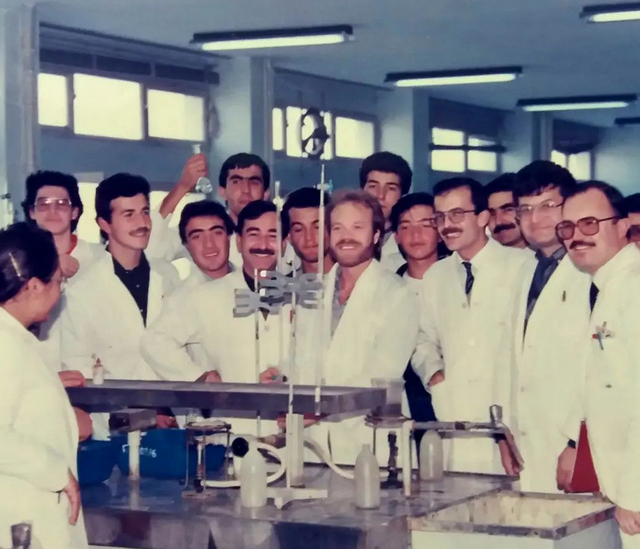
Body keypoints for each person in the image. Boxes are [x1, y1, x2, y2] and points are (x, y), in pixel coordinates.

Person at [141, 201, 289, 436]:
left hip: (290, 430)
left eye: (272, 235)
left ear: (284, 243)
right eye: (254, 234)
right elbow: (154, 341)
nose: (263, 244)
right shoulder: (201, 297)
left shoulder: (298, 294)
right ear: (239, 241)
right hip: (232, 429)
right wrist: (199, 377)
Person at [412, 177, 528, 474]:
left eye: (457, 214)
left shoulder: (523, 267)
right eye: (440, 217)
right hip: (455, 417)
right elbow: (422, 338)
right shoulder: (436, 275)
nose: (447, 225)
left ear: (483, 217)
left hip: (513, 422)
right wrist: (434, 375)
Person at [296, 190, 418, 465]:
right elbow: (300, 357)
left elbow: (382, 374)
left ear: (376, 236)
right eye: (338, 228)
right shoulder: (313, 290)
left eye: (357, 227)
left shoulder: (397, 294)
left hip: (369, 439)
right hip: (313, 442)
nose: (346, 236)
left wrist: (319, 407)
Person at [60, 173, 180, 439]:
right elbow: (79, 372)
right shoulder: (81, 290)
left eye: (145, 212)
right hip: (114, 431)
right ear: (105, 224)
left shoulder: (168, 276)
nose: (142, 223)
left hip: (175, 424)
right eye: (129, 215)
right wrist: (142, 416)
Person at [555, 181, 640, 548]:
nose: (577, 236)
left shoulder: (633, 290)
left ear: (622, 226)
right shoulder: (610, 286)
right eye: (567, 228)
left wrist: (634, 493)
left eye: (590, 223)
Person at [504, 160, 591, 492]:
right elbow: (513, 361)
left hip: (573, 442)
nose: (535, 218)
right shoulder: (524, 272)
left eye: (547, 206)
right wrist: (504, 432)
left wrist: (575, 441)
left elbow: (602, 370)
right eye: (525, 209)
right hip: (528, 441)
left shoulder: (590, 274)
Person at [0, 222, 87, 549]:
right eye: (58, 280)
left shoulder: (15, 338)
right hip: (18, 514)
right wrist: (56, 472)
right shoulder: (5, 343)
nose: (60, 290)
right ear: (35, 286)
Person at [22, 171, 104, 374]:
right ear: (32, 212)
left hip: (90, 371)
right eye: (43, 204)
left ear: (75, 212)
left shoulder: (99, 258)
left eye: (61, 204)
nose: (52, 211)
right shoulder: (19, 262)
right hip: (35, 371)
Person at [148, 153, 270, 269]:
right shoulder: (199, 231)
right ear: (222, 192)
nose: (246, 190)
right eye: (236, 181)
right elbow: (150, 251)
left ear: (266, 193)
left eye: (254, 182)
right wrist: (182, 187)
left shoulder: (278, 236)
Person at [390, 192, 439, 431]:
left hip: (451, 400)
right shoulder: (388, 288)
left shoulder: (463, 282)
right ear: (396, 236)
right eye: (406, 226)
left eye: (425, 225)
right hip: (403, 409)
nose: (416, 235)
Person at [360, 151, 412, 272]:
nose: (380, 195)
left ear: (402, 195)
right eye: (373, 186)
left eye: (391, 188)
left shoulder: (410, 247)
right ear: (361, 190)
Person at [176, 200, 235, 292]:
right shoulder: (179, 298)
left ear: (229, 236)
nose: (209, 244)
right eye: (197, 237)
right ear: (187, 245)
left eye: (217, 233)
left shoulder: (253, 282)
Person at [281, 187, 334, 275]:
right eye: (298, 229)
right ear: (289, 236)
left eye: (317, 227)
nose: (309, 237)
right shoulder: (284, 283)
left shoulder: (355, 280)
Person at [485, 173, 529, 249]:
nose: (498, 222)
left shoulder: (547, 252)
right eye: (492, 213)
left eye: (508, 209)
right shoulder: (479, 255)